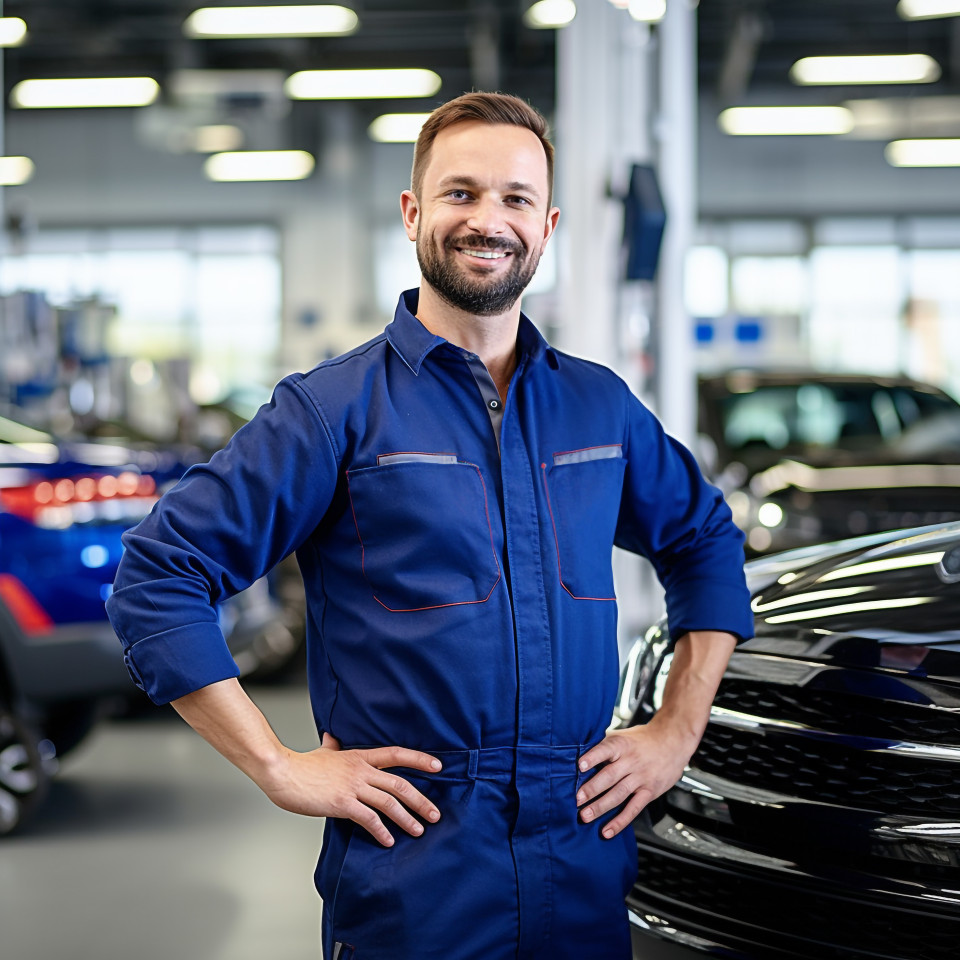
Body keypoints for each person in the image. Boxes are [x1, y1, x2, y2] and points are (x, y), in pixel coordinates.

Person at [106, 92, 753, 960]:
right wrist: (277, 765)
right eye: (461, 193)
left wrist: (677, 729)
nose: (489, 220)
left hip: (582, 863)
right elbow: (159, 574)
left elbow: (704, 538)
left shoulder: (599, 407)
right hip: (418, 876)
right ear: (413, 213)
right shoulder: (334, 411)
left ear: (547, 227)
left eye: (516, 198)